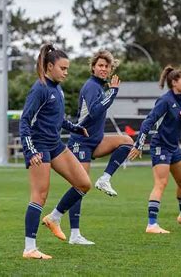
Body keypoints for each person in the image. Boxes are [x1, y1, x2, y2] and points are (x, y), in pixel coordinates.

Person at [20, 43, 92, 260]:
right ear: (49, 66)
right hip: (39, 146)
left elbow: (57, 119)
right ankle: (29, 248)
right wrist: (30, 151)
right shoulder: (39, 88)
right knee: (39, 195)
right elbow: (24, 120)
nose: (66, 72)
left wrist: (74, 127)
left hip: (56, 144)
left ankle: (55, 217)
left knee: (83, 183)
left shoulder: (57, 89)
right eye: (63, 68)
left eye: (67, 69)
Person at [66, 50, 133, 245]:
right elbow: (95, 111)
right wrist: (112, 93)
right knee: (80, 186)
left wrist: (111, 92)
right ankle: (74, 234)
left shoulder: (100, 87)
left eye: (107, 66)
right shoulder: (91, 86)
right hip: (81, 142)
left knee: (127, 141)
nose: (104, 69)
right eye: (100, 65)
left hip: (95, 140)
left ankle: (104, 179)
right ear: (93, 67)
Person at [130, 65, 181, 233]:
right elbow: (148, 122)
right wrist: (139, 144)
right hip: (160, 146)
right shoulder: (165, 100)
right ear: (174, 82)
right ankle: (152, 224)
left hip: (174, 147)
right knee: (161, 183)